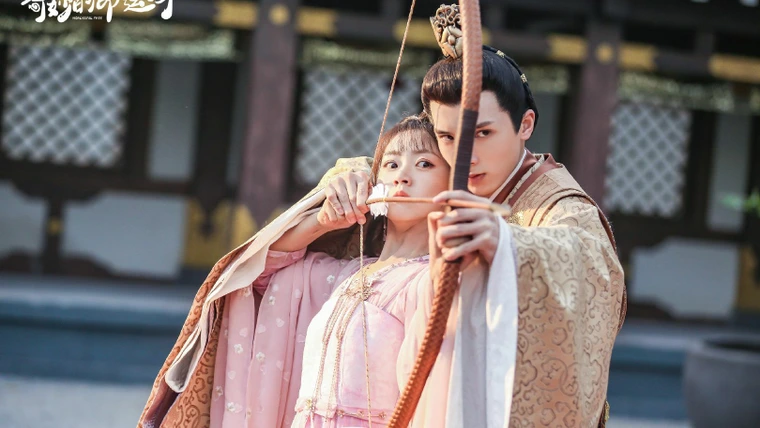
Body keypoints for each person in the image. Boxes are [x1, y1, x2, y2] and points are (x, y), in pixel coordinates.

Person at [320, 4, 627, 427]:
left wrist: (507, 241)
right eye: (447, 137)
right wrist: (347, 181)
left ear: (525, 125)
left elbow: (589, 259)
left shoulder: (557, 201)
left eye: (483, 133)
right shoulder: (444, 168)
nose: (467, 155)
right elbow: (397, 167)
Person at [137, 116, 458, 428]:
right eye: (391, 164)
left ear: (454, 185)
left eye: (424, 164)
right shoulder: (343, 275)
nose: (402, 177)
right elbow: (258, 274)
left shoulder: (432, 282)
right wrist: (323, 219)